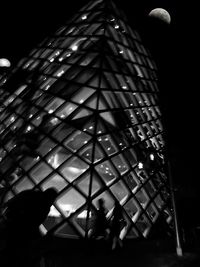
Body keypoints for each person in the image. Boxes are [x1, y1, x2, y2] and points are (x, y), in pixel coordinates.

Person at [1, 187, 58, 266]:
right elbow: (36, 222)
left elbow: (10, 203)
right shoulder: (45, 207)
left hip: (14, 225)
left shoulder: (28, 194)